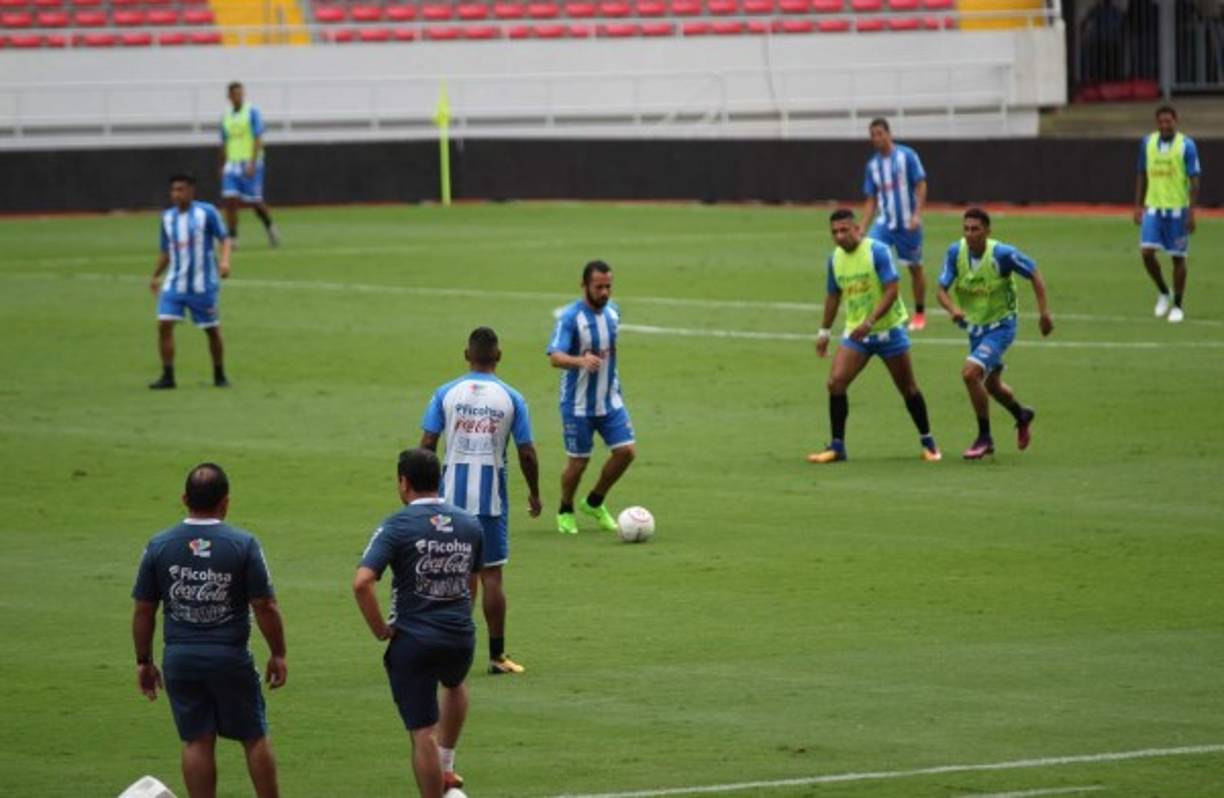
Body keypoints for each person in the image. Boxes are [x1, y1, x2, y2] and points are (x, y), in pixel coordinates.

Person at [131, 463, 287, 798]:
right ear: (226, 502)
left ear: (184, 498)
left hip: (180, 659)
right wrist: (278, 653)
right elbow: (265, 605)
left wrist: (144, 661)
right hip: (229, 657)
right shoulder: (243, 544)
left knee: (196, 740)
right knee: (254, 736)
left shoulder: (159, 545)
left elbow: (144, 608)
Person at [353, 449, 484, 797]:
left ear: (403, 482)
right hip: (460, 635)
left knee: (423, 730)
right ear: (438, 481)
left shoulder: (396, 526)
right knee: (454, 685)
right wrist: (460, 616)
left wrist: (380, 629)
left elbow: (362, 582)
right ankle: (447, 765)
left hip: (414, 639)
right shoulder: (469, 523)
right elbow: (473, 580)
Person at [420, 326, 542, 676]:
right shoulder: (512, 398)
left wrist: (423, 494)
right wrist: (534, 492)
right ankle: (497, 656)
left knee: (449, 574)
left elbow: (427, 444)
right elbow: (527, 453)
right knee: (491, 576)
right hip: (490, 500)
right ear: (498, 356)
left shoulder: (445, 392)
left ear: (466, 355)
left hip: (449, 501)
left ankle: (443, 649)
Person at [809, 208, 941, 464]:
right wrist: (824, 331)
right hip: (857, 335)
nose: (839, 236)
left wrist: (871, 321)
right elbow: (833, 296)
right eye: (834, 232)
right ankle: (837, 447)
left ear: (857, 228)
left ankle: (929, 442)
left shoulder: (877, 251)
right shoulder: (835, 259)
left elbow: (892, 290)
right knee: (835, 383)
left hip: (888, 332)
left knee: (908, 389)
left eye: (844, 230)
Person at [936, 208, 1054, 460]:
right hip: (975, 329)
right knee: (992, 385)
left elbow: (1034, 272)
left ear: (988, 231)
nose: (970, 234)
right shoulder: (955, 252)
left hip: (1001, 327)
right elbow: (941, 291)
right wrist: (953, 308)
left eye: (975, 229)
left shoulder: (1001, 254)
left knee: (970, 374)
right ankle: (1021, 415)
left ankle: (984, 438)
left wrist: (1044, 314)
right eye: (966, 229)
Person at [547, 260, 637, 535]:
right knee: (578, 462)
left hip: (610, 400)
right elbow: (555, 357)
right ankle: (565, 509)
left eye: (608, 286)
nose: (605, 292)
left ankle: (595, 502)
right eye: (599, 287)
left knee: (626, 452)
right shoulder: (571, 318)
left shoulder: (613, 313)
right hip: (577, 403)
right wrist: (580, 361)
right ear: (584, 285)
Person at [149, 173, 232, 390]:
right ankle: (168, 376)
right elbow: (166, 251)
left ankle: (219, 375)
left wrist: (224, 261)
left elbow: (224, 239)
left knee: (212, 330)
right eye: (173, 190)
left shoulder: (207, 212)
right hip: (175, 283)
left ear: (191, 191)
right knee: (164, 325)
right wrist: (155, 275)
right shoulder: (167, 218)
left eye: (181, 189)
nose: (176, 194)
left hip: (202, 285)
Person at [859, 117, 930, 331]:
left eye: (880, 134)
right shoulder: (873, 165)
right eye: (873, 135)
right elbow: (871, 199)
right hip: (884, 224)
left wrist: (917, 215)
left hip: (908, 225)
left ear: (889, 134)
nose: (877, 139)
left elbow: (921, 184)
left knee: (915, 269)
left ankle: (919, 314)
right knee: (869, 257)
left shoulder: (907, 156)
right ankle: (882, 308)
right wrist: (862, 227)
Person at [1134, 105, 1201, 323]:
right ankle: (1164, 291)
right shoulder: (1147, 143)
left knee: (1177, 257)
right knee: (1146, 253)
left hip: (1177, 210)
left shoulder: (1186, 146)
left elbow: (1194, 181)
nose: (1164, 125)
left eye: (1168, 121)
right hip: (1153, 207)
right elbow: (1141, 174)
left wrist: (1191, 212)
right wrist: (1137, 205)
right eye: (1161, 121)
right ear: (1157, 122)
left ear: (1175, 121)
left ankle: (1178, 305)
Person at [220, 81, 279, 248]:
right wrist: (223, 164)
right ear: (229, 97)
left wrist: (253, 162)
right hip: (232, 164)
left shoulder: (252, 112)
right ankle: (232, 238)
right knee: (230, 200)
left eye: (241, 93)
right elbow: (224, 141)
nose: (239, 97)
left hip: (250, 162)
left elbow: (258, 137)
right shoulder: (225, 116)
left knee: (254, 202)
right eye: (235, 94)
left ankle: (270, 226)